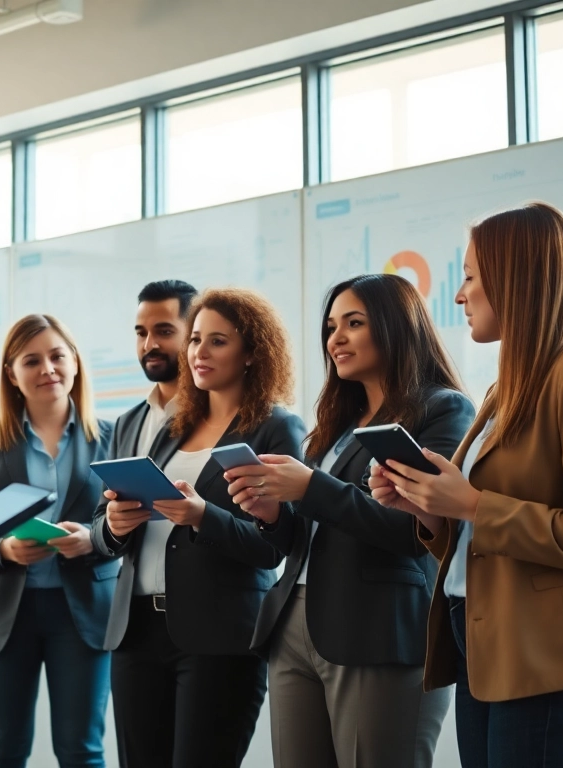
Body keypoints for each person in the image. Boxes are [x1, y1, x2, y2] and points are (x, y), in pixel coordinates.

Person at [369, 202, 563, 768]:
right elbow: (479, 533)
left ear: (517, 278)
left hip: (549, 658)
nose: (459, 294)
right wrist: (429, 508)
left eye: (470, 276)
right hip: (486, 650)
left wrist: (471, 503)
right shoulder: (507, 388)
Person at [223, 273, 474, 768]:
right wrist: (274, 514)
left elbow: (417, 530)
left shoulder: (442, 409)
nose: (335, 338)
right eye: (331, 326)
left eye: (353, 323)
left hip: (376, 628)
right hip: (295, 623)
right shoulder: (335, 425)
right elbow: (310, 532)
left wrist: (310, 488)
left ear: (396, 327)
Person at [92, 287, 306, 768]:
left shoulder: (275, 427)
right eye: (194, 340)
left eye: (217, 342)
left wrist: (202, 516)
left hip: (219, 635)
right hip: (137, 632)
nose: (198, 353)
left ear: (253, 352)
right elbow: (113, 522)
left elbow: (277, 546)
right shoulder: (173, 425)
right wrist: (115, 523)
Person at [0, 314, 118, 768]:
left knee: (82, 752)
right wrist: (3, 549)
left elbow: (132, 523)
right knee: (2, 751)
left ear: (76, 363)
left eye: (57, 356)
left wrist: (92, 538)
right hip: (4, 610)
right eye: (32, 360)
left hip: (82, 612)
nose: (48, 368)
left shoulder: (112, 437)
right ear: (12, 373)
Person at [88, 279, 198, 477]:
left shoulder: (216, 414)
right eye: (141, 333)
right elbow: (103, 505)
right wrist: (111, 510)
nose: (149, 345)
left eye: (164, 332)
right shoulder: (126, 424)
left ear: (194, 335)